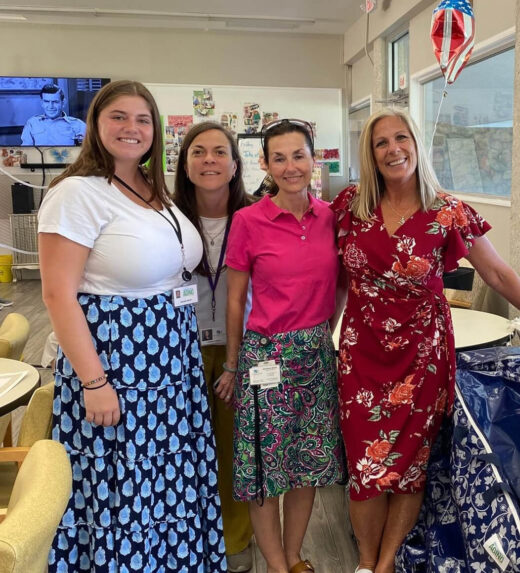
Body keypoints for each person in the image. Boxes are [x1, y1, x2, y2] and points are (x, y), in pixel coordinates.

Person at [331, 107, 520, 573]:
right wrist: (319, 330)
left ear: (416, 144)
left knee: (411, 467)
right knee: (365, 468)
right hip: (361, 354)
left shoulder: (447, 210)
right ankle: (365, 563)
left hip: (422, 355)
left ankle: (386, 563)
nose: (393, 149)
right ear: (370, 154)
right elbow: (334, 278)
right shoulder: (351, 205)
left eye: (402, 138)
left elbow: (497, 273)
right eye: (381, 142)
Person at [38, 80, 227, 572]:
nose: (132, 128)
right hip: (118, 362)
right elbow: (58, 294)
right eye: (118, 117)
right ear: (95, 125)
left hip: (171, 364)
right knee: (123, 487)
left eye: (143, 119)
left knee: (167, 482)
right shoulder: (76, 193)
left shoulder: (152, 187)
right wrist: (93, 382)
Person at [214, 118, 347, 573]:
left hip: (316, 355)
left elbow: (341, 285)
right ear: (266, 164)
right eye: (279, 158)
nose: (291, 167)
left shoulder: (330, 217)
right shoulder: (248, 221)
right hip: (264, 356)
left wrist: (325, 331)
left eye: (298, 155)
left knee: (307, 465)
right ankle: (274, 563)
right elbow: (235, 301)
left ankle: (293, 557)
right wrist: (232, 364)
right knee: (265, 470)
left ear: (313, 158)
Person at [174, 121, 255, 573]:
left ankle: (234, 539)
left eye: (220, 152)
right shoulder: (164, 217)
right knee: (182, 446)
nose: (209, 160)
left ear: (235, 164)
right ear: (184, 165)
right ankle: (188, 536)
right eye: (198, 152)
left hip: (238, 347)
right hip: (178, 347)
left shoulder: (256, 217)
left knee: (233, 448)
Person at [21, 83, 86, 146]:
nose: (51, 106)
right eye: (46, 101)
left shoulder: (79, 125)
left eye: (55, 102)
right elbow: (27, 150)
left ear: (63, 103)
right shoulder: (32, 123)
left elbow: (86, 150)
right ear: (42, 103)